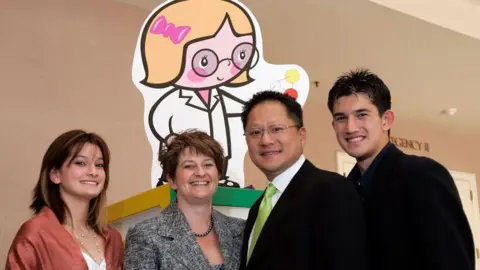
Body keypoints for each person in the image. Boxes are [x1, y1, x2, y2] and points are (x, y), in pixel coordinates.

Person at [327, 68, 475, 270]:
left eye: (361, 115)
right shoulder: (344, 192)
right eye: (341, 118)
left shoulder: (423, 176)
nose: (350, 127)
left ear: (386, 120)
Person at [239, 91, 369, 269]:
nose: (266, 140)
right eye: (255, 132)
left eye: (276, 129)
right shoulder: (258, 207)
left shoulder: (331, 190)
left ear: (302, 135)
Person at [124, 130, 245, 270]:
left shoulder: (241, 230)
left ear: (218, 175)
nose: (200, 172)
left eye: (208, 165)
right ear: (172, 180)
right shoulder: (145, 235)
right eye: (189, 166)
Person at [6, 130, 124, 269]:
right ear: (55, 175)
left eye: (99, 165)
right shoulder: (35, 233)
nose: (93, 172)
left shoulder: (113, 238)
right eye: (81, 163)